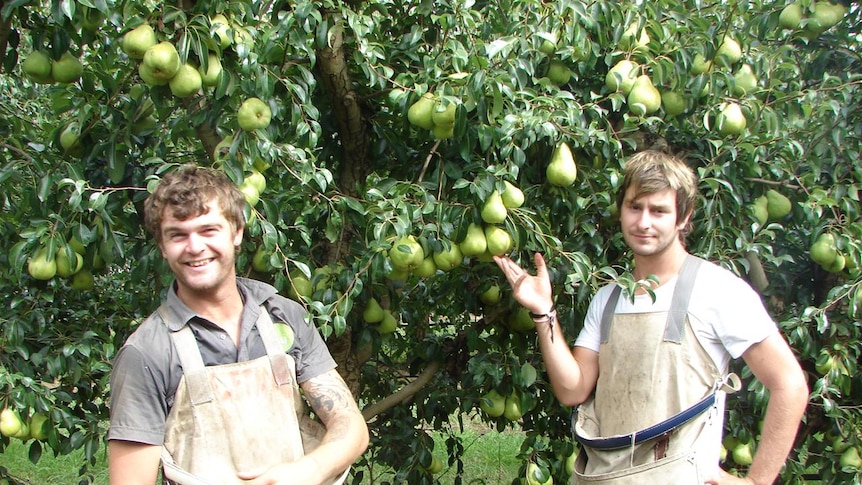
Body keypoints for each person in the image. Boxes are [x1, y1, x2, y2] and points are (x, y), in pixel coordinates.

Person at [494, 150, 808, 484]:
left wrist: (756, 482)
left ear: (683, 218)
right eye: (634, 207)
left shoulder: (718, 290)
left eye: (658, 210)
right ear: (621, 210)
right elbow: (573, 389)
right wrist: (544, 312)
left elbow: (789, 384)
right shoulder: (609, 299)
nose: (644, 222)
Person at [107, 165, 369, 485]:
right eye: (178, 234)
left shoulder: (283, 317)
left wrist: (308, 471)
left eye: (208, 230)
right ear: (162, 246)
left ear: (237, 231)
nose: (195, 247)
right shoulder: (146, 352)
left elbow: (350, 425)